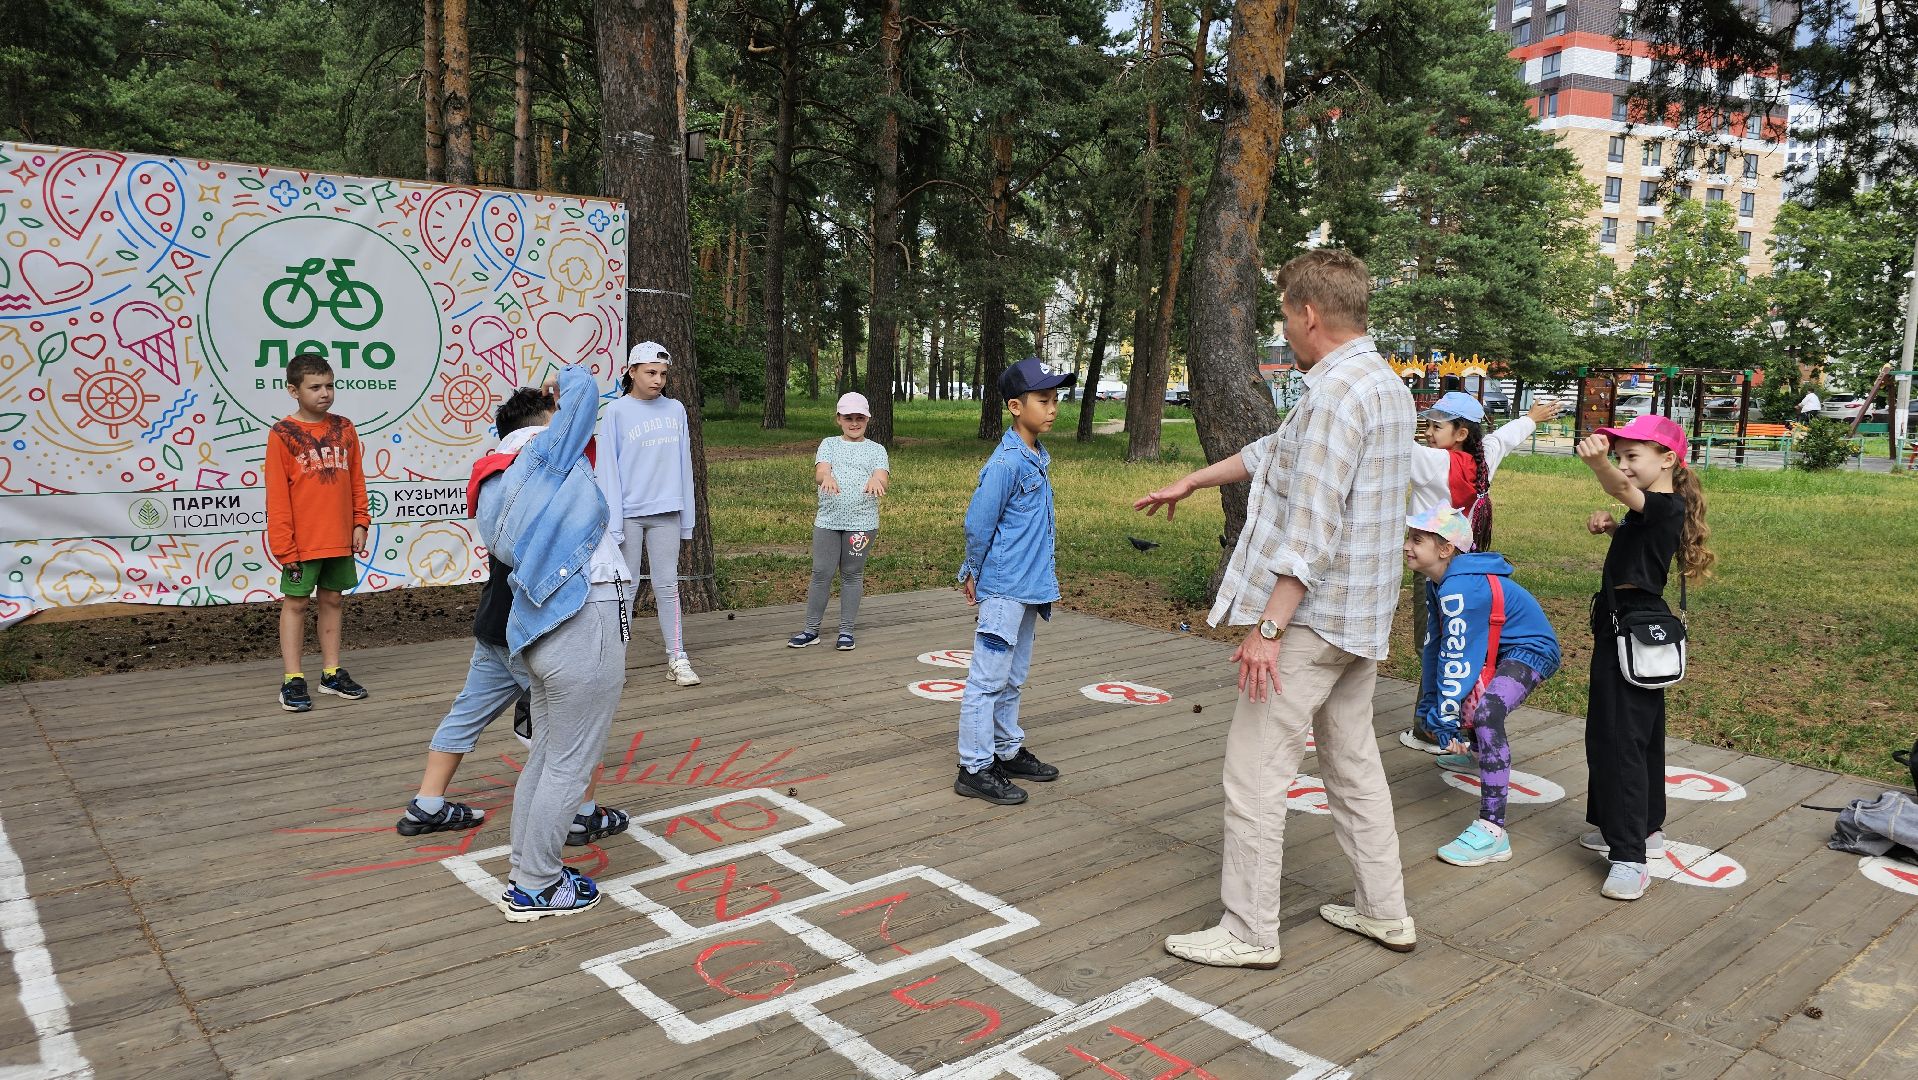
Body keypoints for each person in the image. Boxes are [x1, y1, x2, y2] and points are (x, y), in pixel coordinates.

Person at [1135, 248, 1415, 968]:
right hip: (1360, 621)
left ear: (1310, 313)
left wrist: (1267, 628)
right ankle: (1386, 912)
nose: (1281, 327)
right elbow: (1273, 451)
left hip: (1312, 623)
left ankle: (1249, 930)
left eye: (1285, 313)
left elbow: (1311, 528)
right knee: (1352, 764)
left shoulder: (1333, 396)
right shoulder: (1382, 385)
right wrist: (1191, 481)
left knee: (1255, 775)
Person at [394, 388, 628, 847]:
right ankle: (580, 814)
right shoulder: (541, 476)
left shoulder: (497, 477)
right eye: (554, 422)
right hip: (537, 623)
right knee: (570, 734)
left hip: (493, 621)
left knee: (468, 712)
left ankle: (428, 802)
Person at [477, 363, 631, 922]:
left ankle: (528, 867)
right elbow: (586, 389)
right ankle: (536, 884)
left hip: (539, 628)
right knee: (569, 762)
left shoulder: (493, 480)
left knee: (547, 755)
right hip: (581, 619)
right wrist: (561, 384)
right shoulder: (542, 456)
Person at [1574, 414, 1714, 901]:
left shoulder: (1663, 504)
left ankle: (1630, 856)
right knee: (1636, 734)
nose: (1623, 464)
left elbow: (1620, 491)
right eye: (1619, 456)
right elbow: (1642, 545)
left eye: (1632, 456)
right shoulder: (1654, 511)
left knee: (1619, 739)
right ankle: (1639, 827)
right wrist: (1615, 530)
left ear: (1668, 459)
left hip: (1629, 627)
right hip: (1626, 624)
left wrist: (1598, 467)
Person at [1398, 390, 1561, 755]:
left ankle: (1432, 729)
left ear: (1459, 433)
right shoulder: (1483, 456)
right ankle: (1467, 723)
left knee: (1437, 645)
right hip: (1469, 567)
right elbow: (1504, 437)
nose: (1428, 432)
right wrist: (1531, 418)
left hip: (1435, 566)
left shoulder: (1432, 463)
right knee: (1472, 647)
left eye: (1437, 427)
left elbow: (1392, 443)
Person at [1402, 505, 1561, 867]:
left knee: (1488, 713)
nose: (1407, 546)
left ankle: (1493, 830)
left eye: (1417, 539)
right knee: (1470, 697)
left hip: (1532, 651)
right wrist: (1431, 709)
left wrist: (1446, 720)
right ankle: (1475, 752)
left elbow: (1459, 660)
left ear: (1445, 550)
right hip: (1499, 648)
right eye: (1408, 537)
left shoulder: (1461, 587)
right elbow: (1436, 648)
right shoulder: (1439, 582)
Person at [953, 357, 1072, 807]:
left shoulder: (1037, 456)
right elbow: (979, 522)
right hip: (1004, 587)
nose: (1053, 408)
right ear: (1015, 406)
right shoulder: (1007, 462)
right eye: (1043, 400)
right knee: (987, 679)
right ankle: (975, 767)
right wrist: (973, 570)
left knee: (1013, 677)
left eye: (1055, 399)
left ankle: (1004, 750)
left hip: (1030, 587)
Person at [266, 352, 370, 713]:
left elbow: (356, 479)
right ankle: (292, 678)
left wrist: (360, 522)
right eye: (314, 387)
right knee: (295, 604)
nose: (324, 393)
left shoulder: (345, 428)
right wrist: (285, 547)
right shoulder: (282, 434)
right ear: (293, 390)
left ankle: (330, 671)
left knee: (333, 600)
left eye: (329, 385)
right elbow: (277, 496)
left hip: (339, 537)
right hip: (301, 542)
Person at [597, 340, 701, 687]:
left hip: (667, 511)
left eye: (663, 374)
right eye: (650, 372)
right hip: (628, 514)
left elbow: (685, 465)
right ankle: (615, 661)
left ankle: (677, 656)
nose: (658, 380)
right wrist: (612, 523)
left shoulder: (675, 410)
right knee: (624, 588)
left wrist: (687, 517)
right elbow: (607, 469)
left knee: (667, 584)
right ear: (632, 372)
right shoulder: (616, 413)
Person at [789, 392, 890, 651]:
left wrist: (876, 480)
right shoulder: (829, 444)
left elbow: (882, 477)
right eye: (848, 418)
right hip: (828, 521)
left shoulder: (876, 449)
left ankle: (846, 631)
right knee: (821, 572)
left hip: (861, 523)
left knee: (851, 574)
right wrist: (827, 478)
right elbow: (821, 471)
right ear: (839, 419)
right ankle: (811, 629)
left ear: (868, 419)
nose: (854, 423)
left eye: (859, 418)